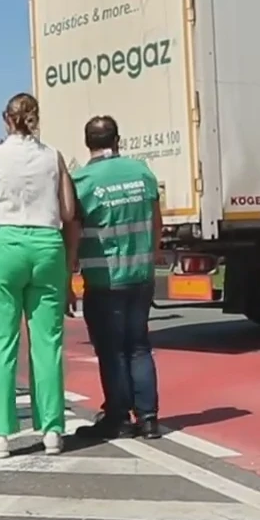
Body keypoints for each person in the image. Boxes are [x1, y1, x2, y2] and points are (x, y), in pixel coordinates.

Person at [0, 93, 78, 457]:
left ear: (6, 119)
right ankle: (52, 429)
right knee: (48, 342)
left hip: (5, 243)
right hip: (47, 245)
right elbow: (67, 209)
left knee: (1, 342)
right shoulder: (54, 156)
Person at [71, 116, 164, 440]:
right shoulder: (141, 172)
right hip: (141, 274)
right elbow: (156, 223)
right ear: (118, 139)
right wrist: (149, 259)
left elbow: (73, 231)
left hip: (104, 277)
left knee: (112, 350)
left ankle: (118, 416)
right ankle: (149, 418)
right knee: (139, 346)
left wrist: (69, 272)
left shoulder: (81, 181)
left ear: (87, 143)